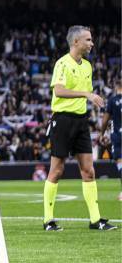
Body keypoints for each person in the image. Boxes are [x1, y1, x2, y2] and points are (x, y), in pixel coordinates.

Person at [43, 26, 115, 231]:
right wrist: (86, 94)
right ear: (76, 42)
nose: (92, 43)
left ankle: (95, 220)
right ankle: (48, 220)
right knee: (57, 170)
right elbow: (59, 91)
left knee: (88, 171)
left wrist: (90, 100)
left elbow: (86, 95)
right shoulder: (62, 63)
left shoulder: (87, 66)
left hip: (81, 121)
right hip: (62, 120)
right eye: (88, 40)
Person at [100, 79, 122, 201]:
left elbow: (105, 120)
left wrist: (101, 134)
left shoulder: (112, 100)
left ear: (116, 87)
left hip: (118, 136)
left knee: (120, 163)